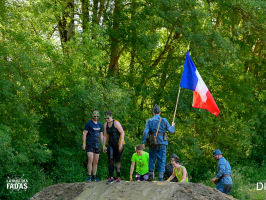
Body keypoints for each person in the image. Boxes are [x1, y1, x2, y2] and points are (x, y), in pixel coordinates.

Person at [142, 104, 175, 181]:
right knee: (162, 160)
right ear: (160, 112)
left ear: (153, 112)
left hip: (152, 143)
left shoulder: (149, 121)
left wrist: (143, 142)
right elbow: (171, 131)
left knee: (152, 159)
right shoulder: (164, 120)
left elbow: (145, 132)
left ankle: (150, 176)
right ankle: (160, 178)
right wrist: (173, 125)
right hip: (162, 143)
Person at [103, 111, 125, 183]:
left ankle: (118, 176)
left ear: (111, 116)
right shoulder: (105, 124)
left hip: (118, 144)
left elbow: (122, 133)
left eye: (108, 118)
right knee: (110, 160)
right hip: (111, 144)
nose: (107, 119)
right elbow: (105, 135)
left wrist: (121, 144)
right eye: (105, 118)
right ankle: (111, 177)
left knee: (117, 160)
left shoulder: (116, 123)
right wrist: (103, 145)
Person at [82, 110, 104, 182]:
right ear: (92, 115)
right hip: (89, 144)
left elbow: (101, 135)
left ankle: (94, 176)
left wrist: (103, 145)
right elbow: (84, 133)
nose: (96, 117)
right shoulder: (88, 123)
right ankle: (89, 176)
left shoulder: (100, 124)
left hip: (97, 145)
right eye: (95, 116)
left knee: (96, 161)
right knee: (90, 159)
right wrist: (84, 143)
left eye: (97, 116)